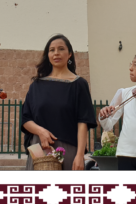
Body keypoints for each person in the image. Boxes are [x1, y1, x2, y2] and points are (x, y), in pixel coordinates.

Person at [21, 34, 97, 170]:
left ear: (69, 54)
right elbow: (26, 119)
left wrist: (80, 155)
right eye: (52, 50)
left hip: (69, 150)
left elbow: (83, 122)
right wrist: (41, 131)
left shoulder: (79, 84)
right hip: (39, 150)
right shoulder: (36, 85)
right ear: (48, 55)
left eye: (61, 49)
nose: (56, 53)